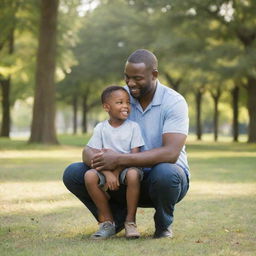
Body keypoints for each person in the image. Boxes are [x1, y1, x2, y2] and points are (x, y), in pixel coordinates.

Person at [63, 49, 190, 239]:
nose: (130, 83)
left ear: (154, 75)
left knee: (166, 172)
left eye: (137, 78)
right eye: (127, 77)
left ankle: (163, 225)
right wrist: (102, 163)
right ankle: (114, 219)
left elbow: (171, 153)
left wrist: (118, 159)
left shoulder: (174, 102)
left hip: (162, 181)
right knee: (73, 173)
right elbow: (89, 149)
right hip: (121, 177)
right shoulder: (122, 98)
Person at [83, 85, 144, 239]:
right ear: (106, 107)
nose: (125, 106)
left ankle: (130, 222)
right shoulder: (101, 128)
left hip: (127, 166)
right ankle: (107, 222)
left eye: (128, 102)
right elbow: (95, 156)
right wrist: (108, 174)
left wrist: (116, 172)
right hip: (105, 169)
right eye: (120, 102)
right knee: (89, 176)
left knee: (132, 175)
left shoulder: (133, 127)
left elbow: (134, 156)